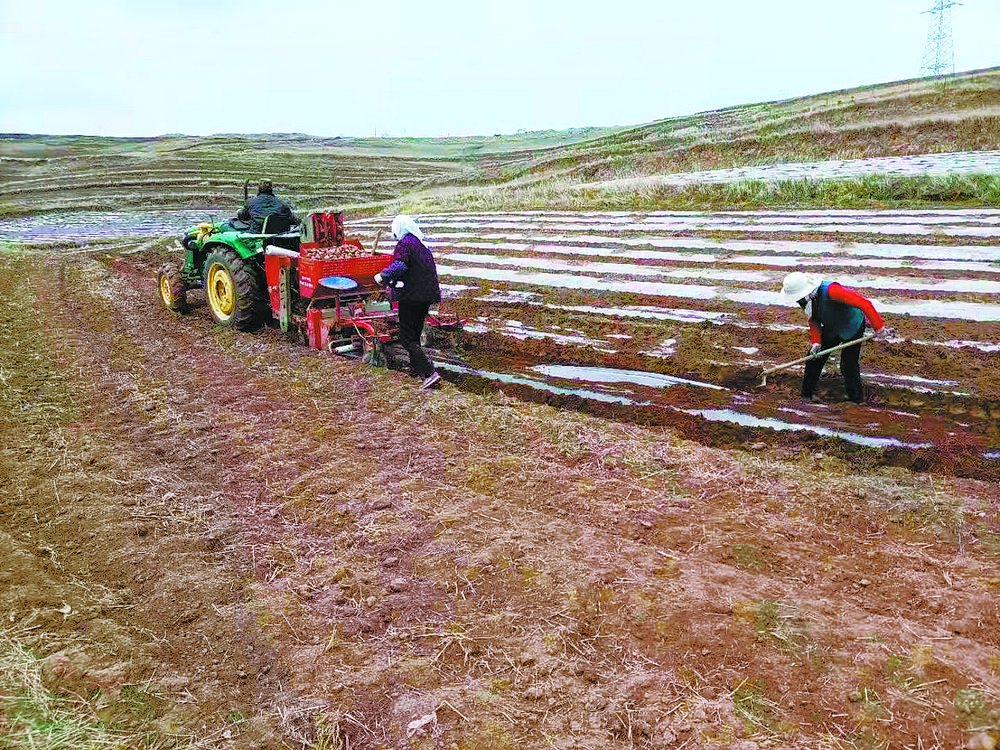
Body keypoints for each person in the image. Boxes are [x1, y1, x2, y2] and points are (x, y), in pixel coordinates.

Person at [781, 271, 891, 404]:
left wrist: (878, 326)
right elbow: (813, 320)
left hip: (852, 325)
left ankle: (855, 400)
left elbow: (864, 303)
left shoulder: (832, 291)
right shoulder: (806, 300)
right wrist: (816, 342)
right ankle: (806, 396)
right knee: (813, 359)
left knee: (848, 364)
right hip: (831, 326)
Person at [374, 215, 442, 389]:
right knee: (414, 336)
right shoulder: (421, 244)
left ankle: (429, 373)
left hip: (411, 296)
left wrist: (383, 276)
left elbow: (400, 266)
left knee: (406, 339)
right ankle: (416, 368)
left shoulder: (405, 244)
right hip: (426, 296)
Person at [233, 180, 300, 233]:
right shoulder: (283, 204)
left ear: (258, 189)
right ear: (271, 189)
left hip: (257, 233)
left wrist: (239, 212)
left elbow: (244, 217)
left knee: (228, 225)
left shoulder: (251, 202)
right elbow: (293, 220)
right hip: (279, 234)